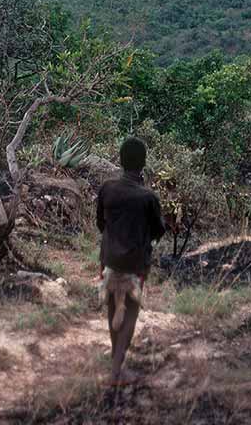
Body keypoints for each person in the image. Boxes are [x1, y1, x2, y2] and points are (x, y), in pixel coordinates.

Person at [96, 136, 165, 384]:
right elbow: (159, 230)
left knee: (114, 307)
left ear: (121, 160)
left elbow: (100, 224)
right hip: (136, 263)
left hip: (110, 259)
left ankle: (117, 359)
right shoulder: (148, 197)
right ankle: (117, 368)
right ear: (143, 163)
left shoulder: (107, 189)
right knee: (131, 312)